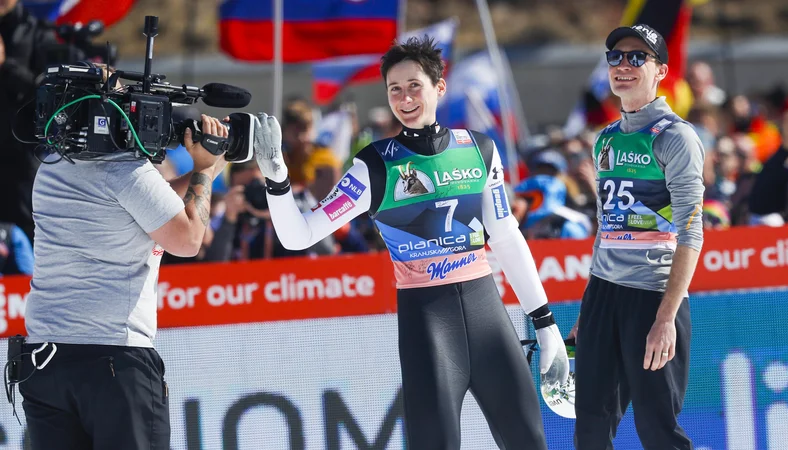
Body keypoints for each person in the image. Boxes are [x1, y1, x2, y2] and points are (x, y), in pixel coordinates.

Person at [252, 36, 569, 449]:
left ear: (439, 87)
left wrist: (545, 325)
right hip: (428, 325)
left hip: (489, 315)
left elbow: (506, 236)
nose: (404, 97)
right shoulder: (375, 165)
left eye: (414, 85)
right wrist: (277, 179)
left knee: (530, 441)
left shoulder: (478, 149)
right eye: (394, 89)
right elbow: (300, 236)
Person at [17, 110, 231, 449]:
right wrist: (205, 170)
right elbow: (189, 240)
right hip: (113, 359)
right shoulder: (126, 169)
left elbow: (142, 201)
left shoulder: (53, 166)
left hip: (46, 359)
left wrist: (203, 171)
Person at [568, 24, 705, 450]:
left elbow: (691, 231)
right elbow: (607, 228)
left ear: (661, 69)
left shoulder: (676, 137)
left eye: (637, 57)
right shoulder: (605, 138)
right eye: (616, 57)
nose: (623, 65)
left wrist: (666, 319)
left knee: (657, 430)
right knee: (589, 430)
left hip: (652, 296)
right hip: (603, 297)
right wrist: (589, 309)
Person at [0, 0, 59, 242]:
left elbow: (49, 92)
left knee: (28, 232)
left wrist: (5, 65)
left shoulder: (38, 33)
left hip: (20, 159)